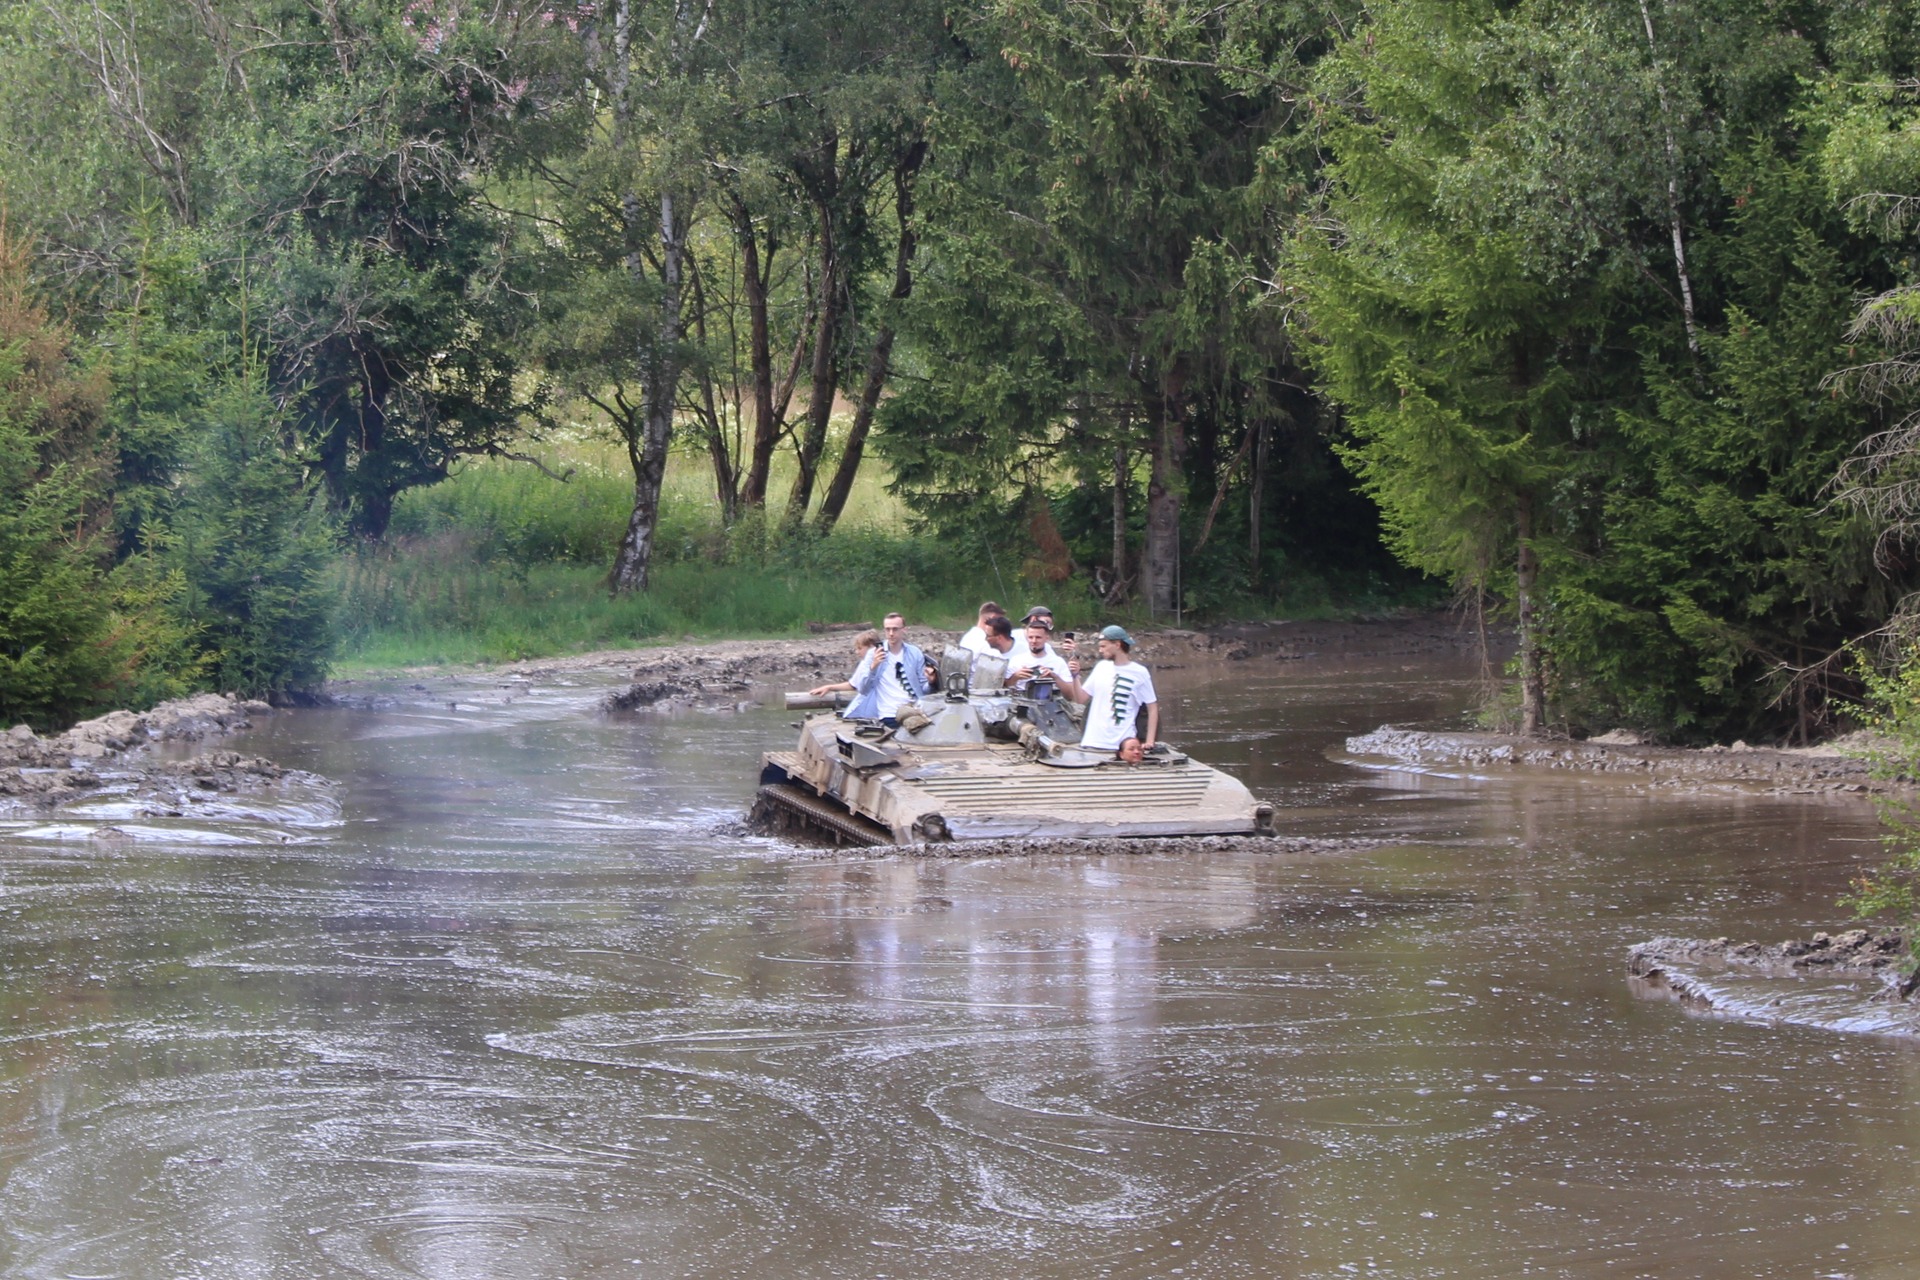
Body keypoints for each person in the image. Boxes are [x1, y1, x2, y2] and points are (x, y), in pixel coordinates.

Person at [1071, 624, 1158, 752]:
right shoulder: (1100, 667)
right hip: (1092, 742)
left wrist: (1150, 741)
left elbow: (1152, 707)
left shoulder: (1140, 672)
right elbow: (1080, 699)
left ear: (1117, 645)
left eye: (1103, 646)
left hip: (1123, 746)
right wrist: (1075, 676)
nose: (1100, 650)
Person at [846, 613, 933, 724]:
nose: (891, 634)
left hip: (915, 711)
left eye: (895, 629)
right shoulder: (873, 654)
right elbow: (863, 689)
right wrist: (873, 667)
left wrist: (930, 682)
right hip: (889, 714)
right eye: (887, 630)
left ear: (904, 630)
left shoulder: (915, 653)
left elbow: (924, 690)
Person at [1005, 617, 1077, 694]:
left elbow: (1070, 694)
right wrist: (1015, 677)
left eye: (1038, 637)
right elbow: (1005, 688)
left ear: (1046, 638)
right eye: (1030, 637)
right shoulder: (1016, 660)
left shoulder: (1058, 662)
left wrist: (1055, 677)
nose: (1034, 641)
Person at [808, 630, 880, 698]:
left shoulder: (885, 662)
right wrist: (829, 687)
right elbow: (852, 685)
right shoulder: (863, 664)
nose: (857, 652)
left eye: (860, 648)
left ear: (872, 647)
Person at [970, 615, 1018, 687]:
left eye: (988, 636)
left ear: (999, 637)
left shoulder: (1023, 651)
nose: (985, 639)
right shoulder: (985, 652)